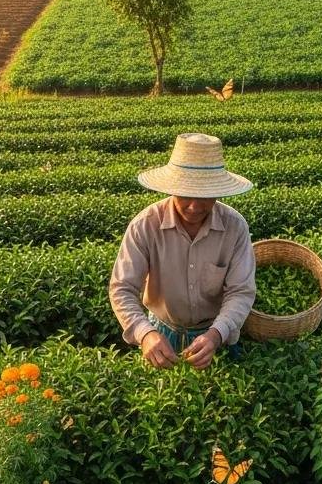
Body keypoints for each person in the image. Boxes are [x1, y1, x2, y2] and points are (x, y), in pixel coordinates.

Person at [109, 132, 256, 370]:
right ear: (173, 187)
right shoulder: (146, 225)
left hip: (216, 332)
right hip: (162, 332)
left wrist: (216, 335)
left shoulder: (234, 227)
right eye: (187, 193)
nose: (195, 206)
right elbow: (122, 288)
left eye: (205, 195)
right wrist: (145, 334)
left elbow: (241, 292)